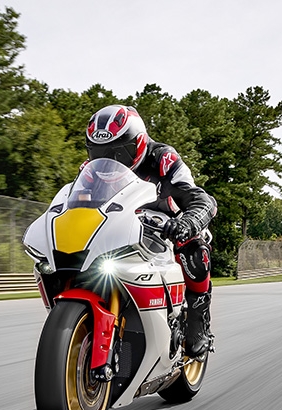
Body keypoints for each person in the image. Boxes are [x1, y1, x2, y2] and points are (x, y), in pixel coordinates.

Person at [84, 104, 216, 358]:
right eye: (99, 153)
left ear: (139, 142)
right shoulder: (90, 171)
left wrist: (186, 223)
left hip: (167, 226)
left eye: (119, 152)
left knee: (194, 248)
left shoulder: (164, 160)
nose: (109, 161)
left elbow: (202, 200)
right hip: (119, 228)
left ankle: (198, 319)